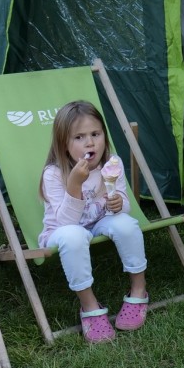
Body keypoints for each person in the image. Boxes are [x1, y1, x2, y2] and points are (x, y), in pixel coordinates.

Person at [39, 101, 149, 344]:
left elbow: (124, 204)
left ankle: (139, 289)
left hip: (99, 221)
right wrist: (75, 184)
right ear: (63, 144)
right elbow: (66, 222)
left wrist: (118, 203)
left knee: (125, 223)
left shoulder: (111, 164)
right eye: (79, 137)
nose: (90, 143)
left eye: (95, 134)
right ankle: (89, 306)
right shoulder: (54, 174)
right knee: (73, 235)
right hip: (62, 230)